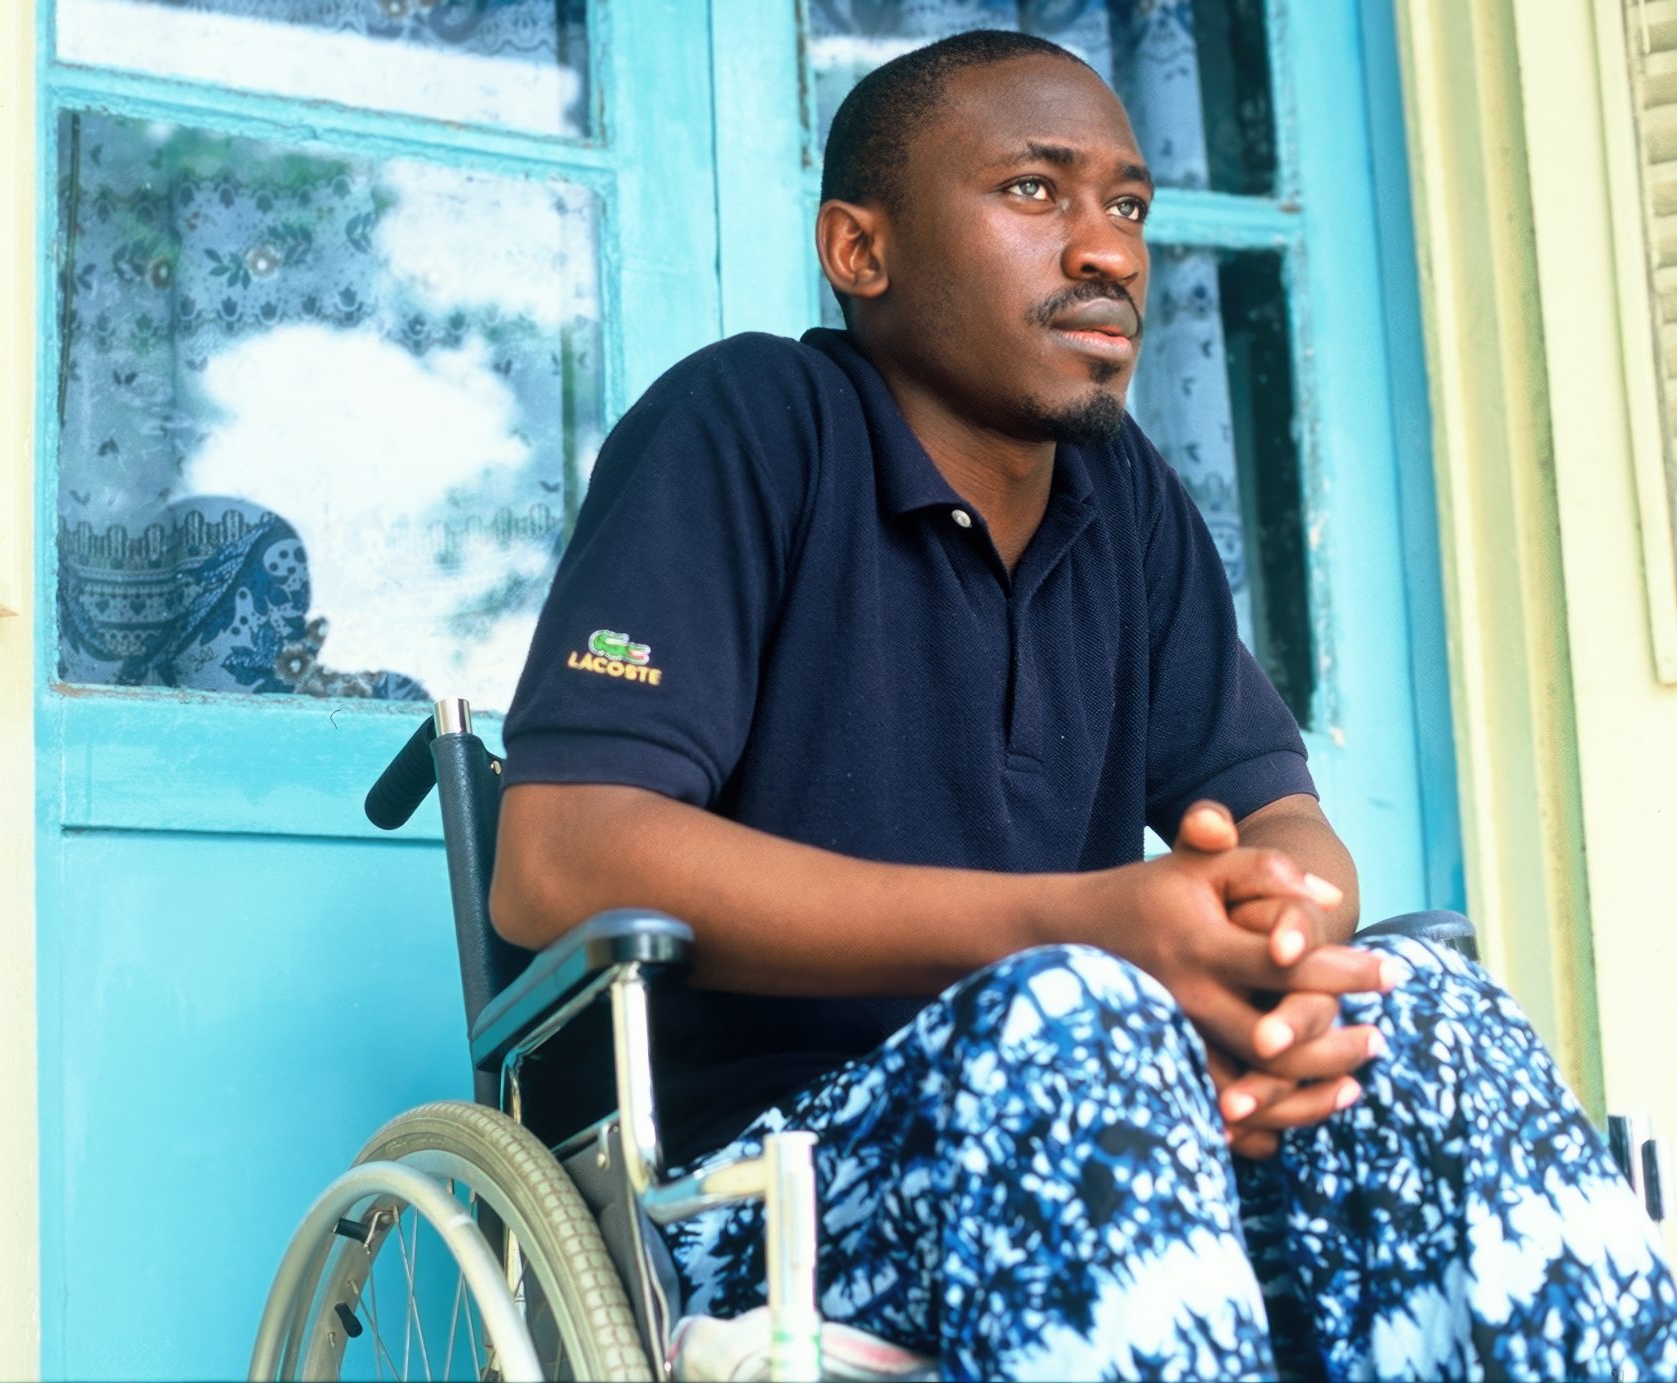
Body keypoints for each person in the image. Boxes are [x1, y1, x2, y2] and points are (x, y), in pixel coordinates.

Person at [490, 29, 1677, 1380]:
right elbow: (557, 860)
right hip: (769, 1191)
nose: (1110, 250)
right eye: (1034, 190)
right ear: (860, 250)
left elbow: (1281, 823)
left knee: (1423, 1007)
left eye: (1129, 206)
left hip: (1124, 1125)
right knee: (1078, 1011)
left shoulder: (1126, 503)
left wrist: (1266, 978)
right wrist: (1092, 932)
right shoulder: (752, 424)